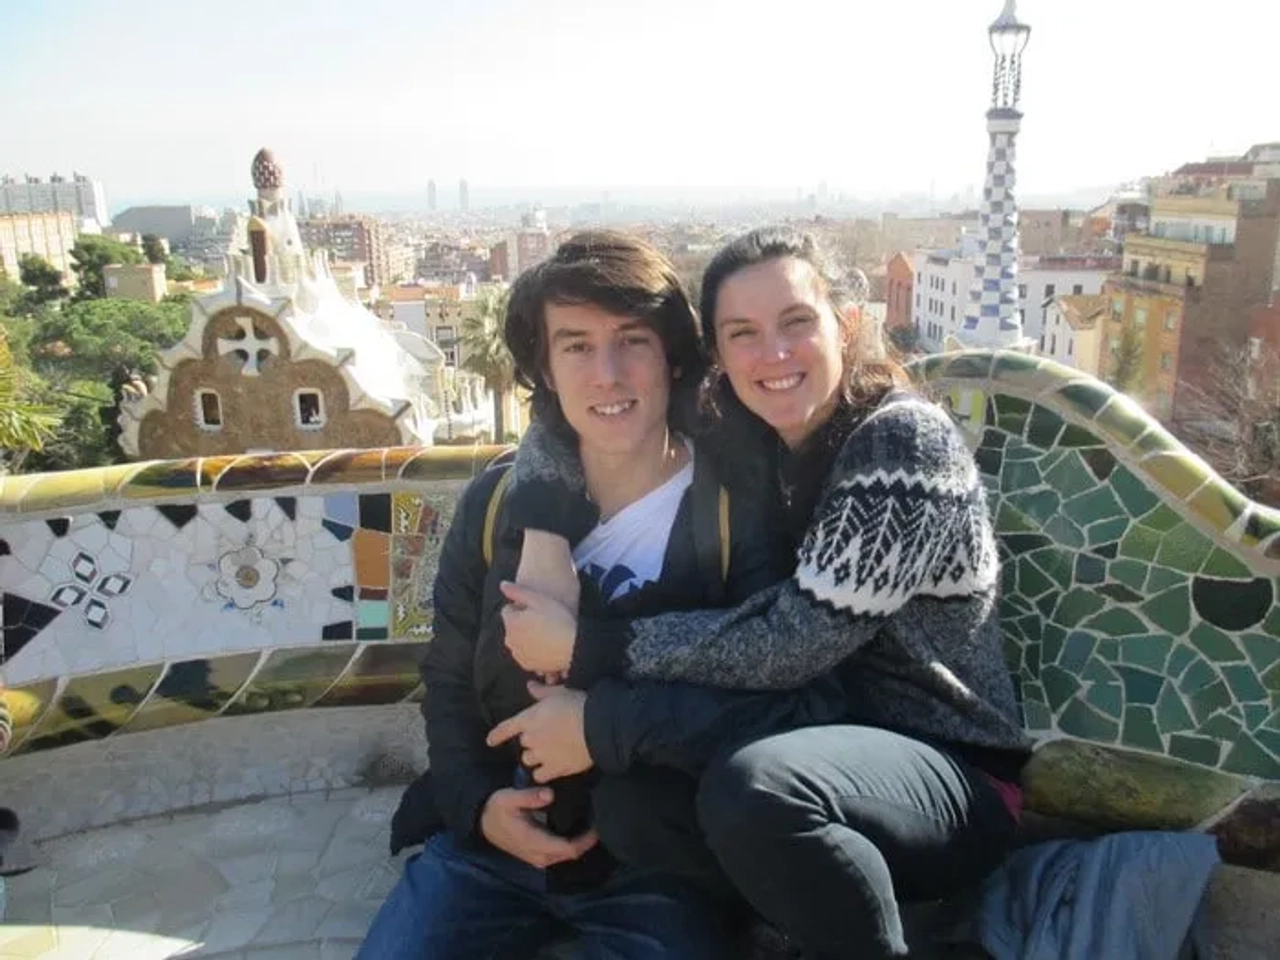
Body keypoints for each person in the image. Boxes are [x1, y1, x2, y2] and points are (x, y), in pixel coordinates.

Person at [493, 226, 1032, 960]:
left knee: (756, 790)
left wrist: (591, 650)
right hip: (819, 741)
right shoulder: (747, 428)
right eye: (742, 333)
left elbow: (792, 642)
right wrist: (546, 535)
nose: (772, 356)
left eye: (796, 324)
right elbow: (571, 409)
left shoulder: (899, 446)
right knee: (637, 809)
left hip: (951, 773)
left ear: (846, 325)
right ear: (716, 356)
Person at [359, 231, 842, 960]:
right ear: (546, 369)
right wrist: (479, 807)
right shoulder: (497, 502)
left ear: (671, 354)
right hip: (489, 854)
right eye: (576, 346)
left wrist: (604, 723)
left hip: (657, 865)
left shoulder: (733, 508)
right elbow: (451, 677)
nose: (608, 374)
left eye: (632, 341)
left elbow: (771, 702)